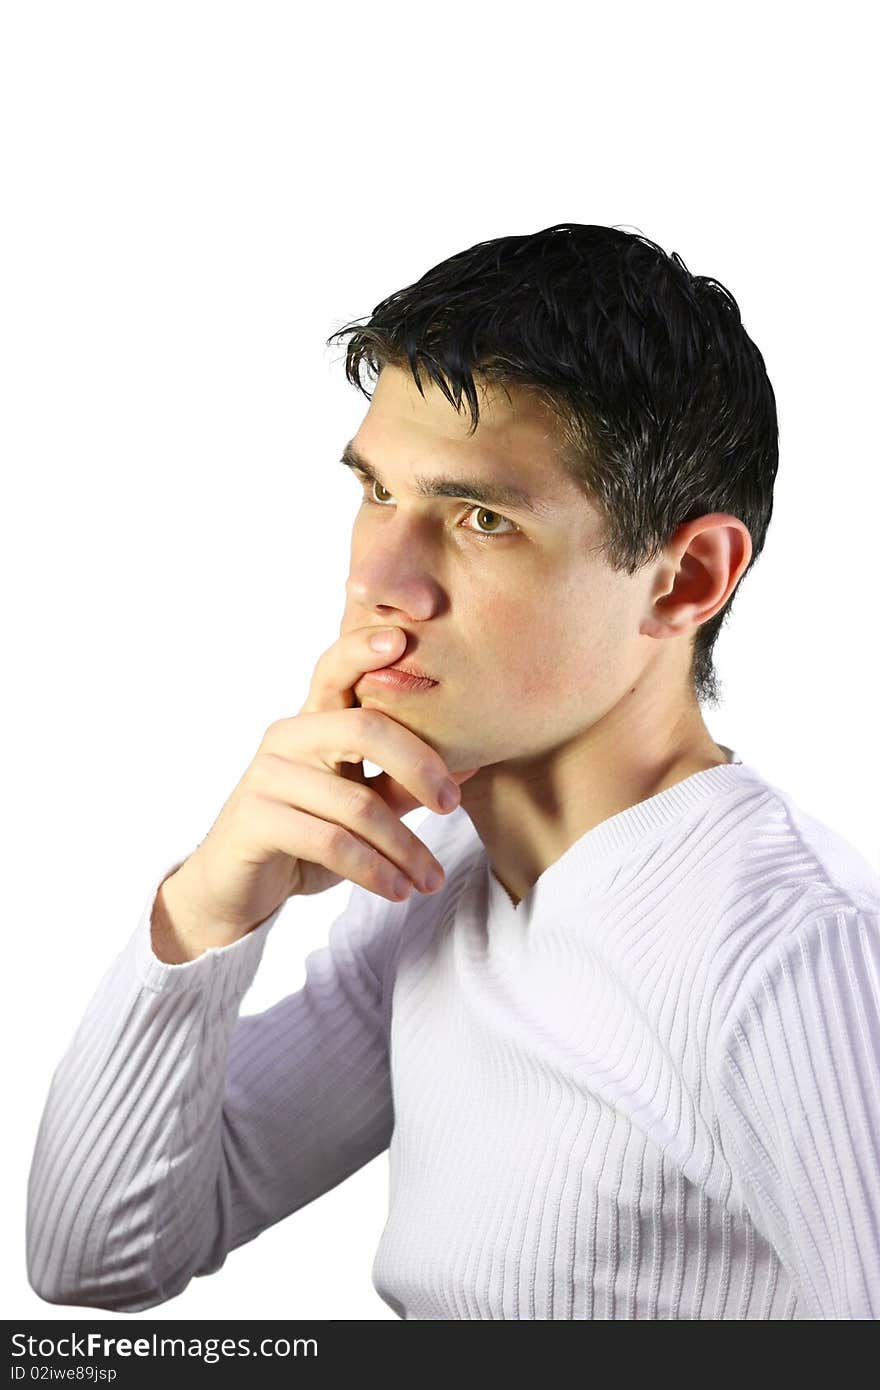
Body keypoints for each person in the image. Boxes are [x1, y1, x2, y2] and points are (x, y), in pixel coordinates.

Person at [26, 224, 880, 1319]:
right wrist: (206, 909)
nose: (380, 580)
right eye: (377, 492)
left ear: (685, 579)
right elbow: (97, 1260)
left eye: (481, 518)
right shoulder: (436, 870)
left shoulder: (795, 957)